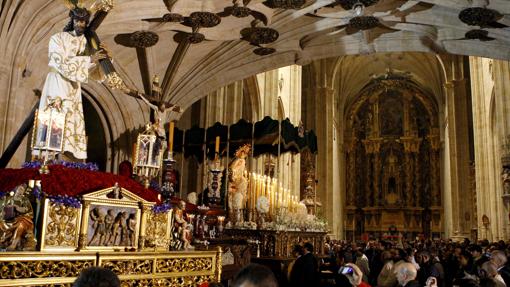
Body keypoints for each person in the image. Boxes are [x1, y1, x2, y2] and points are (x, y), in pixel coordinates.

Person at [36, 7, 107, 160]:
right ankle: (49, 157)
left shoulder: (85, 42)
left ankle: (64, 156)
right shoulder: (58, 38)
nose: (80, 24)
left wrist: (103, 60)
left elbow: (92, 73)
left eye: (83, 21)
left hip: (73, 87)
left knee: (71, 121)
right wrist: (89, 59)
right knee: (57, 116)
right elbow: (60, 62)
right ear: (72, 20)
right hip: (58, 83)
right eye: (78, 20)